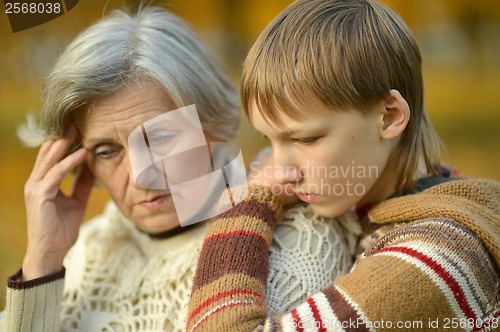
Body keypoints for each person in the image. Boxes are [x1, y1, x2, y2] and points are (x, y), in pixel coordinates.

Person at [0, 4, 360, 331]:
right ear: (80, 161)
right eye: (108, 151)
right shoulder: (87, 250)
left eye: (160, 138)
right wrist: (42, 261)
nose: (142, 175)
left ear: (213, 122)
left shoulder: (299, 239)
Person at [186, 0, 500, 331]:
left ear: (389, 116)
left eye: (306, 140)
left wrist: (248, 203)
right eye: (270, 141)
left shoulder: (435, 258)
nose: (282, 171)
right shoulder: (386, 207)